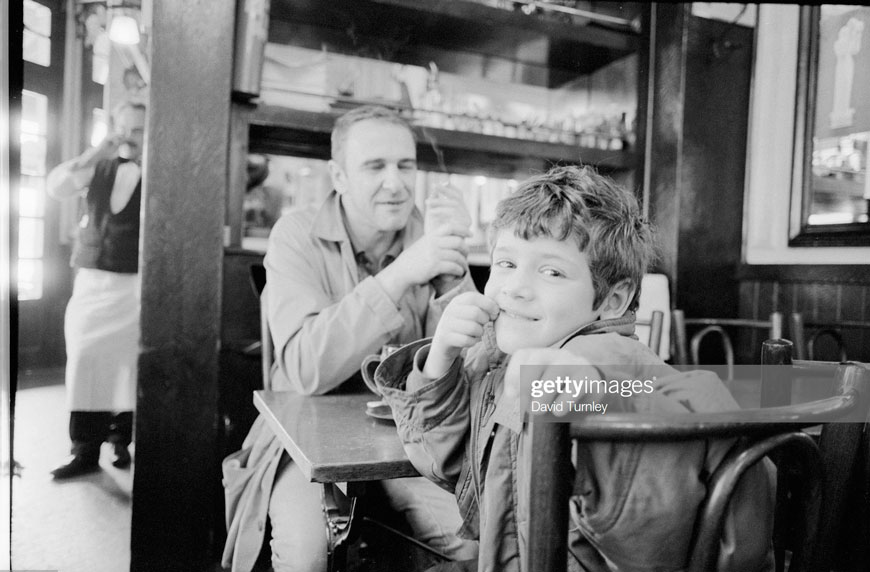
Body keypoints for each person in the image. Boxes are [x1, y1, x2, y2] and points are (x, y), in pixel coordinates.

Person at [375, 165, 775, 572]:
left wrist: (592, 393)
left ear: (613, 301)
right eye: (506, 263)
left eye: (551, 271)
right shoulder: (504, 360)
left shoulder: (605, 358)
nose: (515, 287)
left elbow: (650, 414)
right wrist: (440, 359)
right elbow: (453, 467)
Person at [222, 105, 480, 572]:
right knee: (305, 555)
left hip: (412, 435)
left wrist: (455, 276)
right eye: (375, 166)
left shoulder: (431, 233)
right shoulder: (296, 234)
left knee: (466, 545)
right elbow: (304, 368)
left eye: (405, 165)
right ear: (338, 176)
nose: (396, 183)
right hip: (301, 437)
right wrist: (402, 273)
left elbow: (480, 365)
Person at [45, 101, 146, 479]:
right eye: (127, 129)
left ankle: (121, 440)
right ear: (115, 129)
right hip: (93, 279)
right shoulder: (96, 167)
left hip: (136, 283)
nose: (132, 138)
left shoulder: (156, 170)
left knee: (128, 367)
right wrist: (95, 152)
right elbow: (56, 187)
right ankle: (84, 449)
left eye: (140, 130)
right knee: (86, 359)